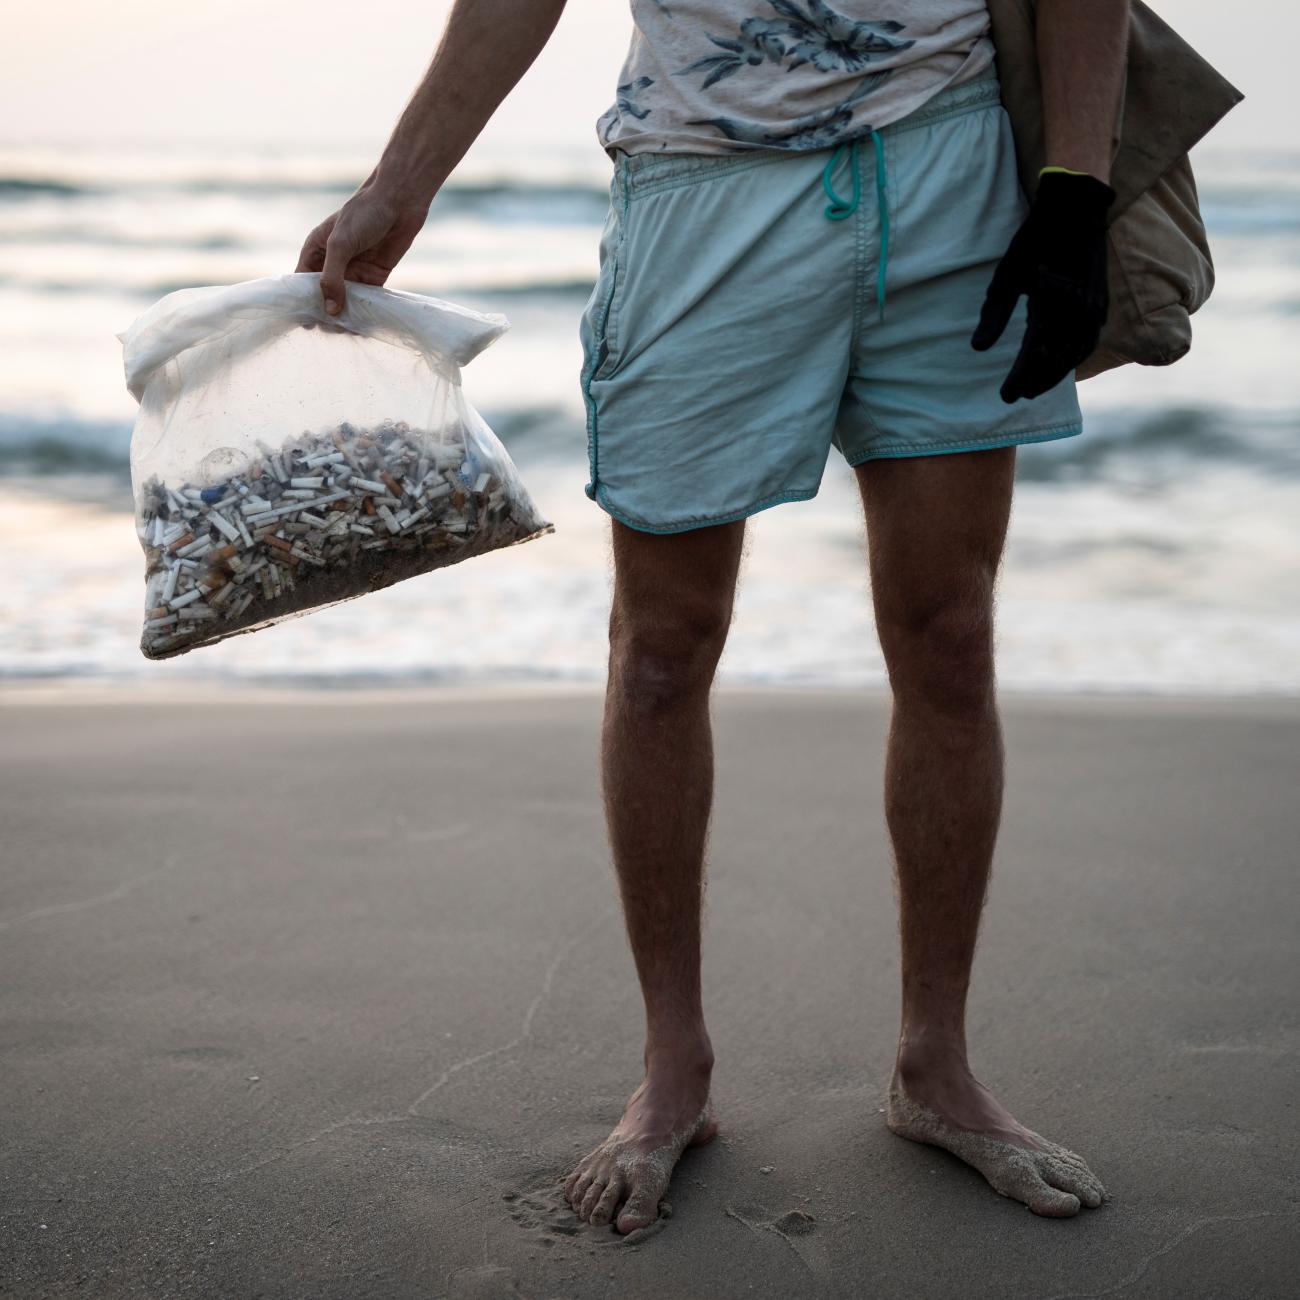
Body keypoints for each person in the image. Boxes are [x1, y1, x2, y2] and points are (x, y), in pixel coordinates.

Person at [298, 0, 1128, 1234]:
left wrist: (1075, 186)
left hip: (949, 175)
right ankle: (672, 1068)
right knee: (661, 654)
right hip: (703, 188)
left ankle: (934, 1068)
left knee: (949, 632)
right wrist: (399, 182)